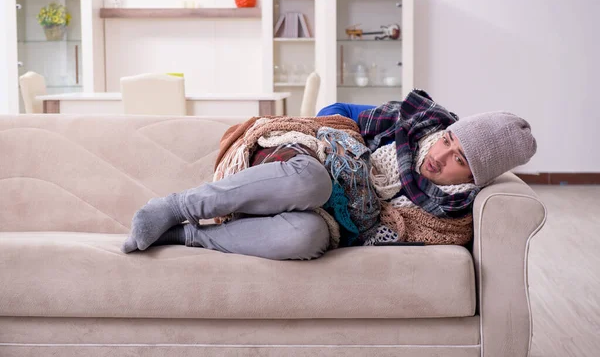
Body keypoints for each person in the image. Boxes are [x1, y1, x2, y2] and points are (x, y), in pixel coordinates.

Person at [121, 90, 537, 260]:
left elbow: (381, 235)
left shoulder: (447, 215)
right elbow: (332, 112)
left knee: (309, 239)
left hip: (330, 219)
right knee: (314, 181)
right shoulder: (412, 123)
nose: (440, 155)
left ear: (474, 179)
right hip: (300, 161)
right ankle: (176, 206)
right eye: (449, 140)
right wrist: (349, 152)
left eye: (459, 160)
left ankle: (187, 235)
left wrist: (365, 206)